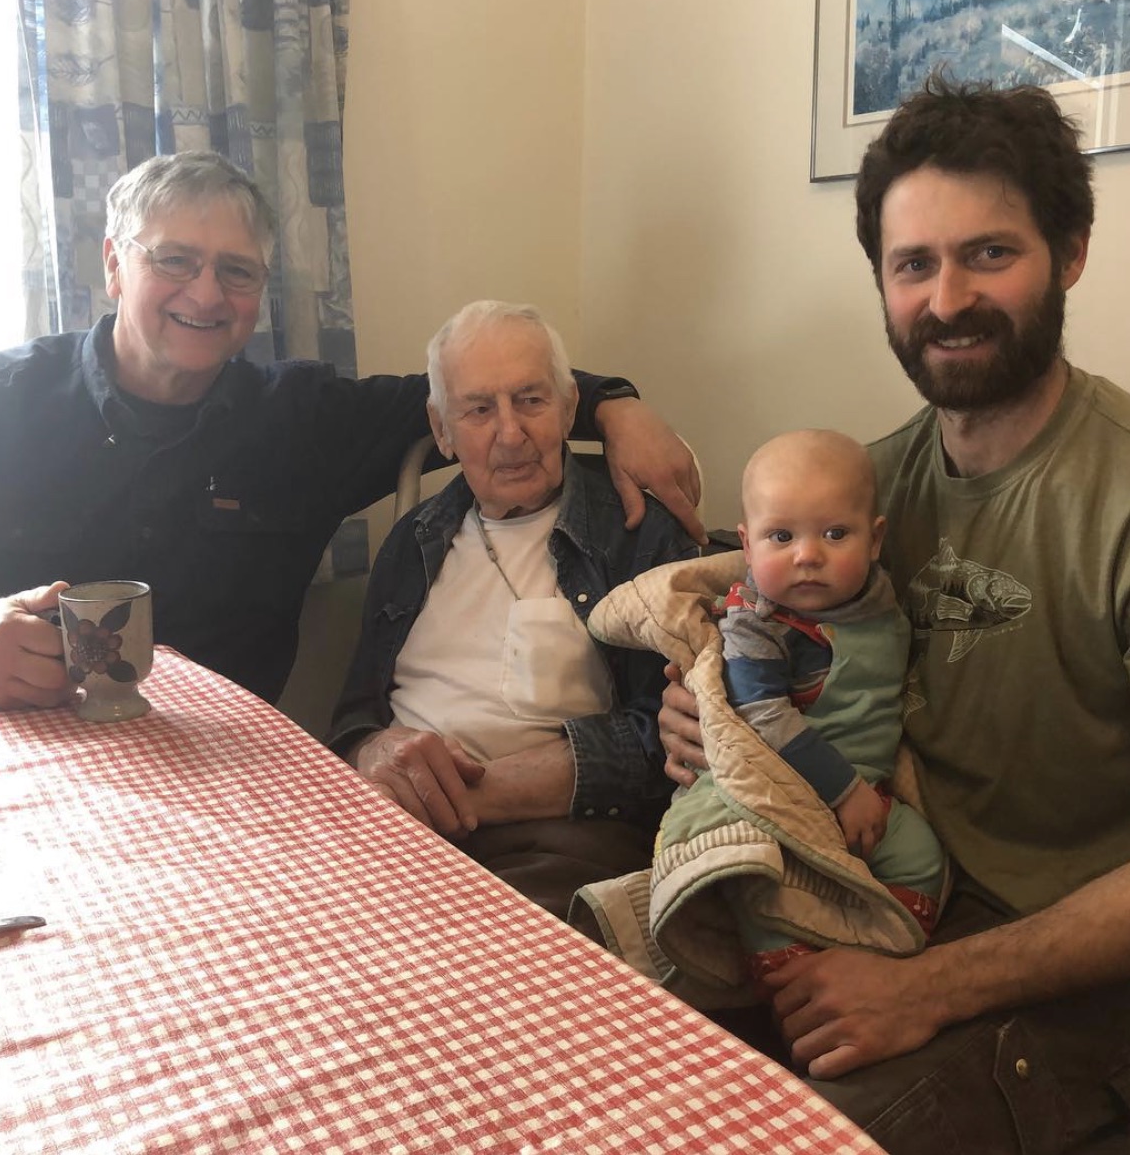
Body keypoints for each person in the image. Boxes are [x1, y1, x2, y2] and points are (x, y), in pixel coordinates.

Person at [659, 76, 1130, 1153]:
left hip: (1049, 968)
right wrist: (696, 721)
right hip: (845, 891)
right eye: (913, 264)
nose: (947, 298)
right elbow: (740, 646)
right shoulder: (853, 500)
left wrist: (934, 987)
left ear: (1070, 252)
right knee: (588, 1039)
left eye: (988, 253)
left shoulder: (1114, 492)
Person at [0, 151, 703, 711]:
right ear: (114, 265)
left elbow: (478, 392)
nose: (206, 293)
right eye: (175, 260)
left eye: (236, 271)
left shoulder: (300, 418)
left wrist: (615, 405)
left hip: (224, 771)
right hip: (6, 743)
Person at [328, 300, 698, 919]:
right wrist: (373, 753)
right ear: (441, 430)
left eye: (531, 400)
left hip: (558, 841)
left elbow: (675, 742)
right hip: (399, 828)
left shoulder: (635, 533)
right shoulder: (413, 540)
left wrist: (483, 795)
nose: (509, 434)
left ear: (570, 407)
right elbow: (354, 716)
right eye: (478, 410)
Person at [712, 429, 944, 983]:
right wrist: (843, 792)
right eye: (781, 536)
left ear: (875, 539)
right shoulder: (757, 624)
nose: (808, 555)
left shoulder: (877, 599)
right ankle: (784, 973)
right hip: (782, 791)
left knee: (923, 859)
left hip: (871, 789)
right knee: (759, 876)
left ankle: (875, 953)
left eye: (835, 533)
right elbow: (762, 715)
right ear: (747, 546)